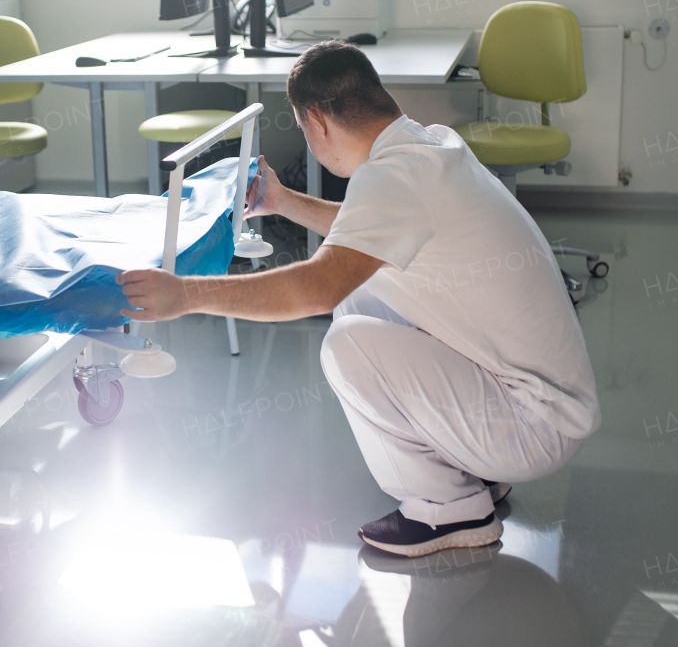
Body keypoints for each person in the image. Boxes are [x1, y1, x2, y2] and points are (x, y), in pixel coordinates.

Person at [117, 40, 601, 558]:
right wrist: (281, 201)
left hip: (531, 427)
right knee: (365, 294)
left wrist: (185, 295)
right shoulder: (426, 145)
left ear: (318, 122)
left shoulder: (394, 177)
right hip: (541, 406)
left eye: (304, 131)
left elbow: (314, 288)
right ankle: (471, 472)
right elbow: (366, 232)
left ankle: (448, 509)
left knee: (347, 343)